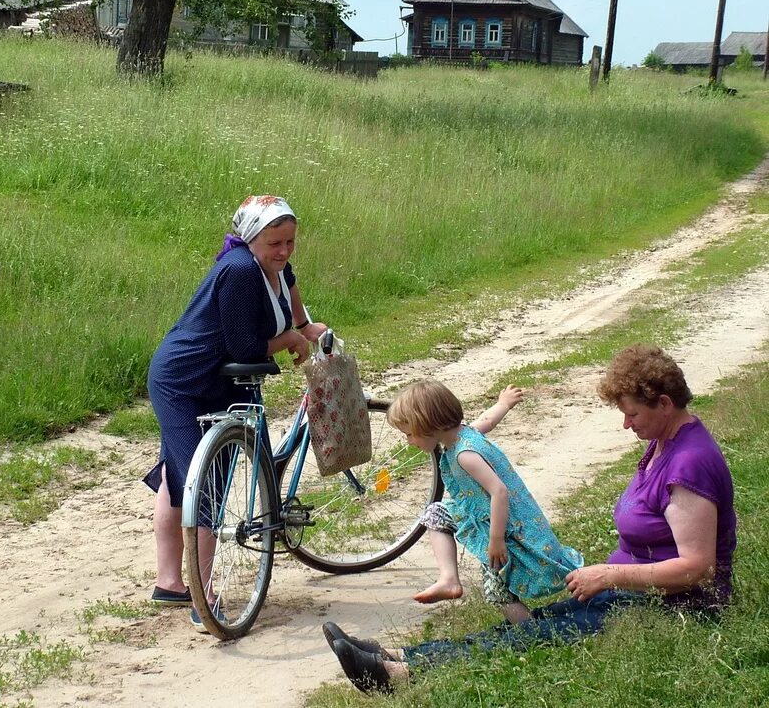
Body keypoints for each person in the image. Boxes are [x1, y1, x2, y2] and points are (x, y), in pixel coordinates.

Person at [323, 344, 736, 694]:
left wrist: (610, 576)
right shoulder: (666, 442)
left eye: (632, 414)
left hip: (673, 605)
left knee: (543, 634)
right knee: (542, 623)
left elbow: (698, 569)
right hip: (636, 590)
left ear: (664, 404)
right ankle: (394, 657)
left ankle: (401, 673)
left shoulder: (689, 464)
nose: (626, 423)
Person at [144, 195, 328, 630]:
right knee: (201, 484)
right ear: (250, 238)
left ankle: (171, 582)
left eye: (290, 241)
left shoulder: (272, 267)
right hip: (185, 381)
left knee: (182, 475)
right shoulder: (241, 270)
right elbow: (246, 347)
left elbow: (291, 287)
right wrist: (290, 340)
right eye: (274, 242)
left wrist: (304, 325)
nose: (283, 251)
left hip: (225, 380)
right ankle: (202, 596)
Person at [387, 380, 582, 624]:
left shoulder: (465, 455)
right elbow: (488, 420)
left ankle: (531, 631)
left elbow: (499, 492)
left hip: (504, 528)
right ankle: (448, 579)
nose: (408, 442)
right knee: (435, 513)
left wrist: (496, 539)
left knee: (499, 591)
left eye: (409, 434)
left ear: (427, 424)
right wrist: (503, 404)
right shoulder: (464, 434)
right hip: (481, 515)